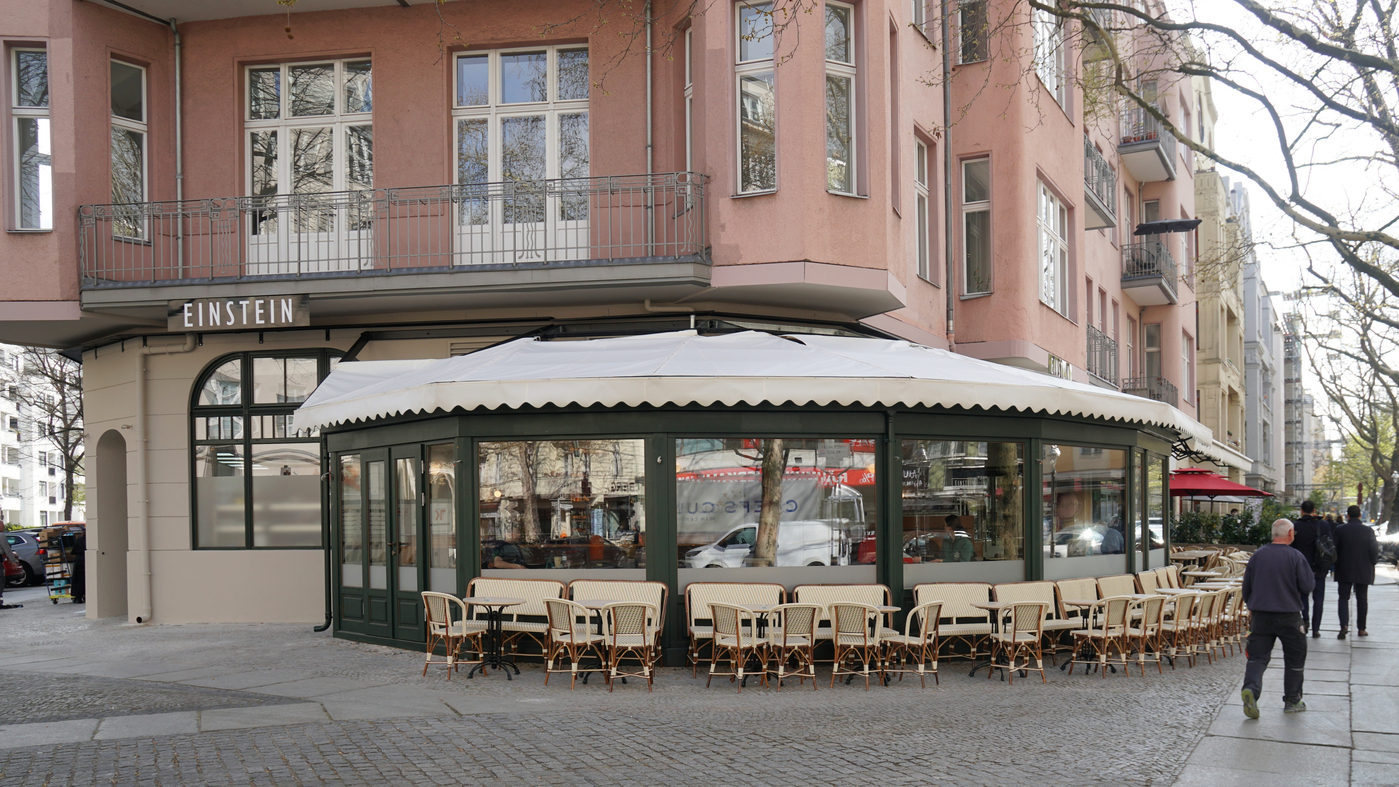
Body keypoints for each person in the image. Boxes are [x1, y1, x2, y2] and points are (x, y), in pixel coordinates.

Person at [1241, 518, 1315, 717]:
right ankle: (1292, 700)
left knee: (1257, 658)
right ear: (1290, 533)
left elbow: (1246, 587)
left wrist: (1252, 605)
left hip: (1261, 616)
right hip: (1289, 615)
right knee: (1295, 658)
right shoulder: (1296, 556)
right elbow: (1308, 586)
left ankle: (1251, 690)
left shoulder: (1257, 556)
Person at [1334, 504, 1380, 639]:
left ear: (1347, 516)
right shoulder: (1368, 531)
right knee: (1362, 598)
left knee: (1343, 597)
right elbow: (1374, 550)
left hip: (1344, 568)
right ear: (1360, 515)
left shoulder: (1340, 530)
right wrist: (1373, 562)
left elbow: (1334, 550)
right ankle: (1361, 628)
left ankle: (1344, 625)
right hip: (1363, 568)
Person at [1289, 499, 1333, 637]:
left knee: (1302, 596)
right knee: (1319, 598)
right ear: (1314, 510)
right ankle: (1316, 629)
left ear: (1301, 511)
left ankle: (1305, 620)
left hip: (1301, 567)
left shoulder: (1295, 526)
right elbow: (1330, 544)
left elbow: (1291, 546)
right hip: (1319, 566)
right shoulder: (1323, 525)